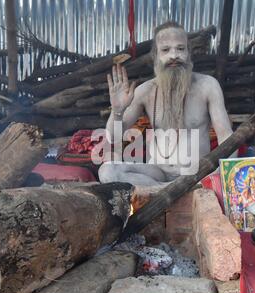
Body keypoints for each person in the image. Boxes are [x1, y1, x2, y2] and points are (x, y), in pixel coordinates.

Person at [98, 21, 236, 187]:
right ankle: (166, 192)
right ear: (156, 56)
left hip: (196, 175)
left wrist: (220, 175)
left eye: (180, 48)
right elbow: (113, 137)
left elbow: (227, 138)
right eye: (165, 50)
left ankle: (162, 195)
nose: (174, 56)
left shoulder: (208, 86)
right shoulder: (145, 91)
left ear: (188, 53)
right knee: (107, 171)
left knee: (217, 174)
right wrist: (117, 110)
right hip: (157, 174)